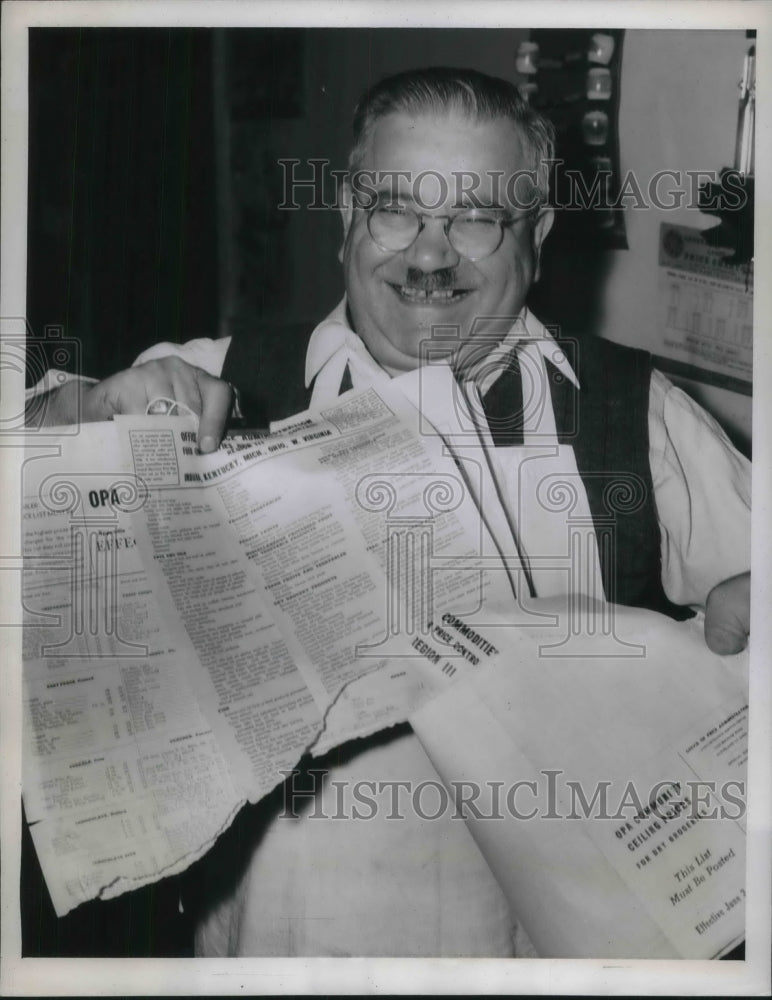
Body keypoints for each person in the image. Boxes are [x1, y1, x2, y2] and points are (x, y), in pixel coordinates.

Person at [27, 67, 751, 956]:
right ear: (346, 215)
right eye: (396, 208)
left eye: (478, 217)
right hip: (276, 959)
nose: (429, 255)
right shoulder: (212, 385)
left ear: (540, 233)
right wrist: (76, 417)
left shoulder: (632, 412)